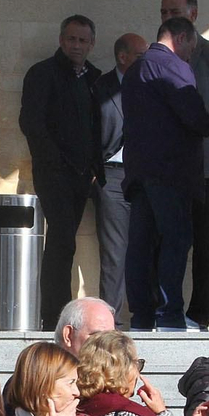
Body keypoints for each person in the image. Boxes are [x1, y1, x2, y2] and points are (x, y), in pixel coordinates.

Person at [121, 16, 209, 332]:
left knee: (140, 244)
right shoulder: (173, 65)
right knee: (175, 241)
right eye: (191, 45)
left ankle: (142, 316)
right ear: (182, 38)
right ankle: (170, 316)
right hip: (171, 172)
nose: (191, 53)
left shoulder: (136, 68)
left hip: (140, 171)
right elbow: (192, 114)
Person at [159, 0, 209, 331]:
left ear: (193, 15)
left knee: (206, 244)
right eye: (163, 11)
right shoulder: (158, 59)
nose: (167, 16)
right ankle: (168, 311)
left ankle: (200, 313)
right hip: (168, 170)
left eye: (174, 10)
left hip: (208, 167)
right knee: (168, 241)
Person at [19, 15, 102, 328]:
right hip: (54, 174)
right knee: (61, 242)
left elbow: (99, 126)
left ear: (91, 44)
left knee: (67, 242)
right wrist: (53, 161)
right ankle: (54, 316)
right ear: (61, 40)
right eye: (71, 39)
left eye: (82, 40)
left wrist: (94, 166)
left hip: (84, 175)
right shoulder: (42, 74)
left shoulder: (95, 78)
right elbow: (31, 123)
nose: (76, 45)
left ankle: (64, 314)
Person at [91, 33, 147, 317]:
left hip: (147, 176)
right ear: (122, 57)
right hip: (112, 175)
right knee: (114, 253)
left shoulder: (153, 86)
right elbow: (86, 132)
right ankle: (109, 319)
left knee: (147, 247)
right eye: (140, 56)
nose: (147, 61)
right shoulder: (101, 87)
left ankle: (143, 316)